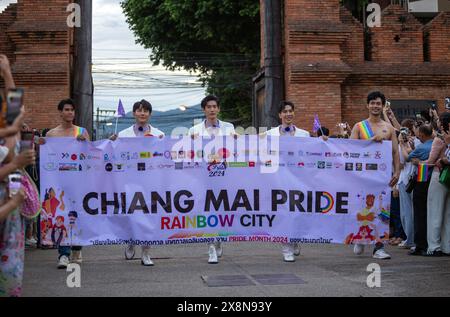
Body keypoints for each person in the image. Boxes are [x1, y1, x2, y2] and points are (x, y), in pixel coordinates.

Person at [111, 99, 164, 267]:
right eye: (139, 110)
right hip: (130, 180)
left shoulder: (158, 134)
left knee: (149, 214)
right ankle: (131, 240)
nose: (142, 113)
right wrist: (112, 142)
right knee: (131, 213)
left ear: (150, 114)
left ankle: (146, 253)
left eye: (146, 111)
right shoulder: (124, 134)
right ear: (134, 113)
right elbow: (113, 155)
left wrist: (163, 143)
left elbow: (165, 156)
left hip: (151, 181)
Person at [0, 54, 36, 297]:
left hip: (10, 201)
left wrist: (6, 72)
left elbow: (15, 109)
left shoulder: (7, 135)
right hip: (8, 199)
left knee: (10, 266)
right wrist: (16, 165)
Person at [350, 91, 400, 259]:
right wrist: (371, 141)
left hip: (382, 177)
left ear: (383, 106)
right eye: (372, 103)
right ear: (367, 105)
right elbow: (350, 149)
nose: (375, 106)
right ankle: (361, 236)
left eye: (378, 103)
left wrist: (398, 171)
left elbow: (395, 152)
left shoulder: (389, 128)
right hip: (363, 177)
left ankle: (379, 247)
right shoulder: (359, 126)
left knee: (382, 209)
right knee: (363, 208)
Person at [189, 95, 236, 264]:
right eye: (208, 107)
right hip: (204, 178)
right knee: (207, 211)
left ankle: (218, 238)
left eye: (214, 106)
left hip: (224, 177)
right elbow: (190, 155)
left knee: (222, 211)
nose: (212, 109)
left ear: (219, 109)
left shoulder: (229, 128)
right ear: (204, 109)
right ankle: (210, 247)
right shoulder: (194, 131)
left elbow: (236, 151)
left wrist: (237, 141)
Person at [43, 98, 90, 269]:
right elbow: (46, 158)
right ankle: (63, 254)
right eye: (67, 109)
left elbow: (89, 156)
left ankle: (77, 249)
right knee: (60, 218)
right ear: (60, 112)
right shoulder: (51, 135)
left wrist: (84, 143)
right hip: (58, 183)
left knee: (77, 217)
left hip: (78, 182)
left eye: (72, 110)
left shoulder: (81, 131)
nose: (70, 112)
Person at [265, 101, 310, 262]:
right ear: (280, 115)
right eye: (285, 111)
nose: (288, 114)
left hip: (298, 180)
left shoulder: (304, 134)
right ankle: (286, 248)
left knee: (297, 212)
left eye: (291, 111)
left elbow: (310, 155)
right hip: (278, 180)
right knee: (283, 213)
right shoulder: (270, 135)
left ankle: (294, 238)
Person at [405, 125, 434, 256]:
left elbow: (406, 157)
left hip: (421, 181)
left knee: (419, 214)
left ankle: (420, 245)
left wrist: (402, 144)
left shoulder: (421, 147)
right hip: (432, 181)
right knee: (430, 214)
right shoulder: (436, 144)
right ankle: (430, 243)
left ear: (422, 135)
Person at [426, 113, 450, 256]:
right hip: (448, 177)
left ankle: (434, 246)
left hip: (439, 175)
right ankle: (447, 246)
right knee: (447, 213)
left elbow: (431, 160)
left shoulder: (440, 139)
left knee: (435, 211)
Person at [397, 119, 416, 249]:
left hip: (408, 179)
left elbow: (403, 162)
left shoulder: (411, 143)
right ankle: (409, 238)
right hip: (404, 179)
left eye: (405, 130)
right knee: (405, 212)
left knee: (408, 212)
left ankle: (410, 239)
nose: (404, 133)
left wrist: (402, 145)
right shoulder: (405, 144)